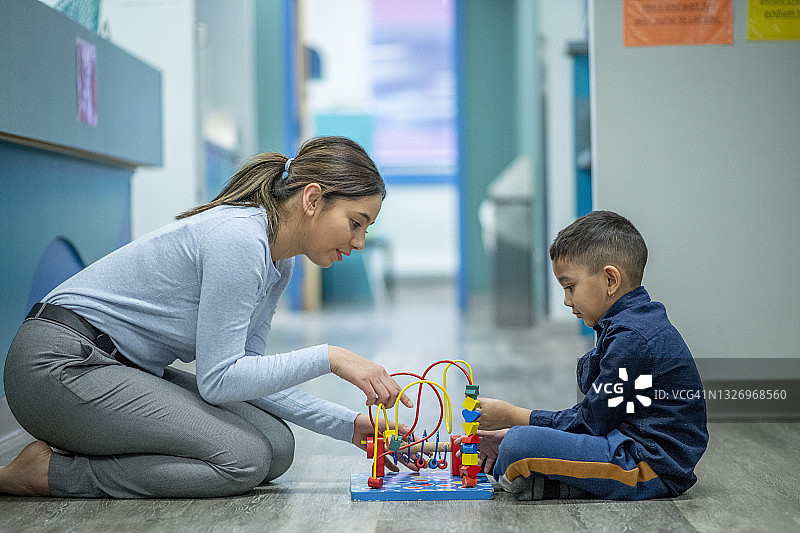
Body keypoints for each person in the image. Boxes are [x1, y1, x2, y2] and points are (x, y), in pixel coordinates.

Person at [0, 136, 413, 498]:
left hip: (118, 367)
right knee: (243, 459)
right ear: (312, 199)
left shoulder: (278, 263)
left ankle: (89, 441)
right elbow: (219, 381)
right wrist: (330, 357)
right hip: (58, 366)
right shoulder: (239, 240)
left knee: (276, 446)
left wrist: (350, 425)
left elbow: (245, 376)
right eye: (355, 223)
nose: (359, 242)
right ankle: (52, 474)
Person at [470, 210, 708, 500]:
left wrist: (513, 417)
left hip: (648, 464)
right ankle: (555, 484)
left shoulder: (633, 339)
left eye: (570, 287)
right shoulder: (626, 325)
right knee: (518, 442)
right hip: (627, 444)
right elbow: (598, 415)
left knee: (518, 444)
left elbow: (590, 422)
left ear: (610, 280)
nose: (567, 300)